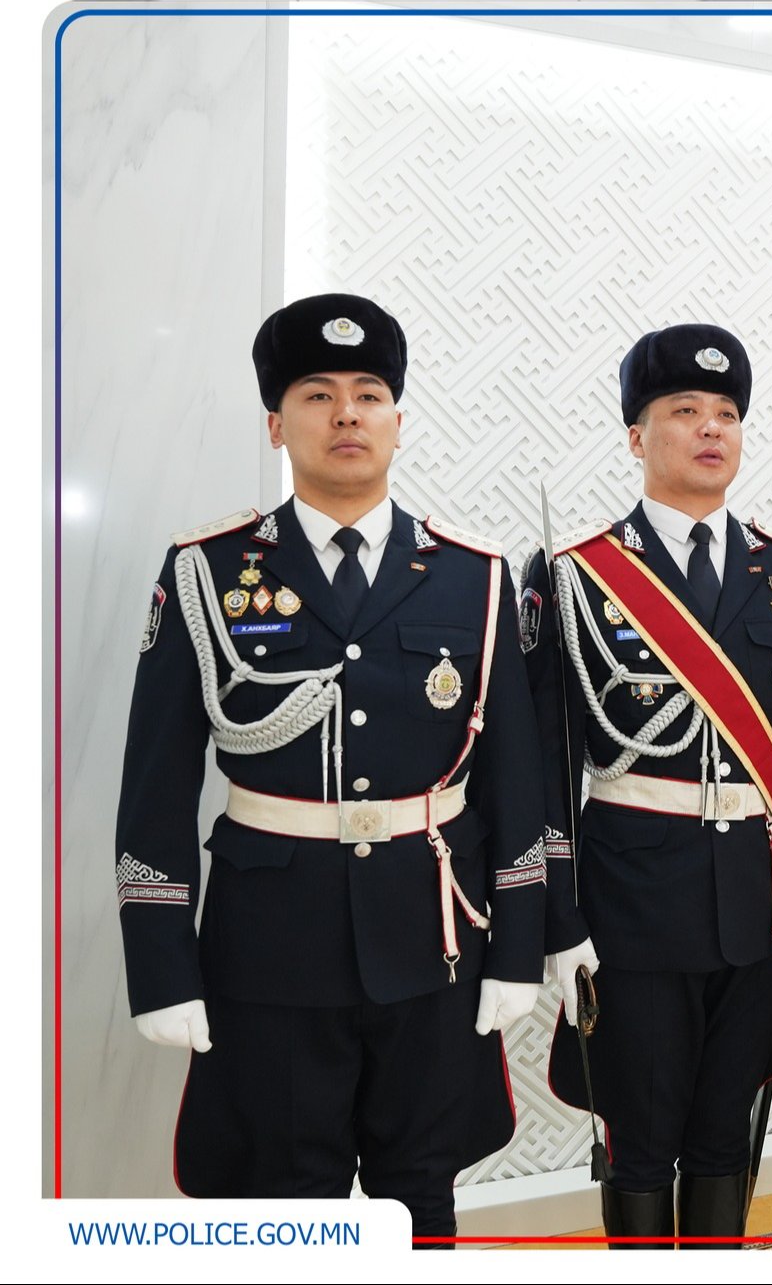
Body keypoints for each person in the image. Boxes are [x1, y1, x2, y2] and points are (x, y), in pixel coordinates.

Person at [113, 293, 546, 1243]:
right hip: (271, 946)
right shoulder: (206, 572)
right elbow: (155, 788)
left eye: (368, 393)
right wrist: (161, 966)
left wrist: (520, 947)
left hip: (433, 942)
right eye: (317, 394)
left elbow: (517, 781)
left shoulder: (475, 576)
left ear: (397, 418)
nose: (346, 413)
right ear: (277, 423)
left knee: (420, 1195)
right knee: (286, 1196)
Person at [525, 322, 772, 1247]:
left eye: (727, 413)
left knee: (723, 1136)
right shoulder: (577, 575)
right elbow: (545, 767)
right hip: (631, 907)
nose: (711, 428)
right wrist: (558, 917)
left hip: (756, 902)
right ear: (637, 435)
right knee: (640, 1141)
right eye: (684, 410)